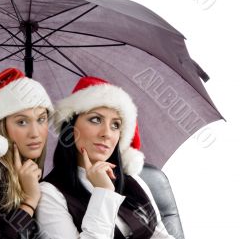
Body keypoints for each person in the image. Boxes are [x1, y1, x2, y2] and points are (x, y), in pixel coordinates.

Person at [36, 76, 175, 238]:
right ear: (70, 126)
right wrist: (103, 192)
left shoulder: (133, 181)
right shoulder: (49, 193)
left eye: (115, 125)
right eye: (95, 119)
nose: (107, 134)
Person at [0, 68, 54, 238]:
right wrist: (29, 201)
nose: (35, 132)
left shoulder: (28, 171)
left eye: (41, 119)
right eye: (22, 122)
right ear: (0, 130)